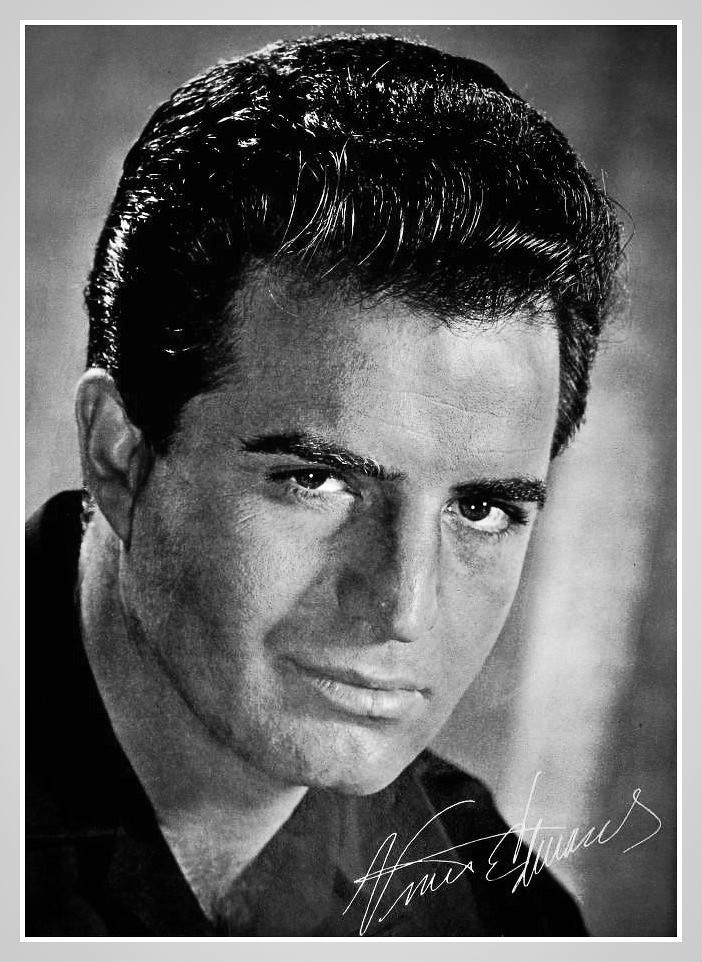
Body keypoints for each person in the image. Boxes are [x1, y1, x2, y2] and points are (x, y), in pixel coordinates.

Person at [25, 32, 622, 937]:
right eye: (316, 479)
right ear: (119, 457)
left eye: (481, 507)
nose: (402, 606)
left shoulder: (504, 916)